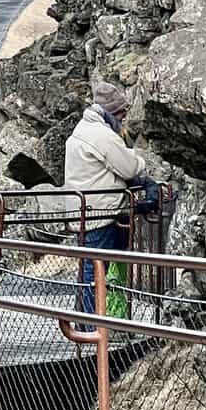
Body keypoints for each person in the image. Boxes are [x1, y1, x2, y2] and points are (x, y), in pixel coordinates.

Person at [64, 82, 146, 316]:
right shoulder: (102, 135)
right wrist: (140, 160)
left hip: (83, 210)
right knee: (96, 269)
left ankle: (86, 323)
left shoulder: (83, 128)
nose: (123, 118)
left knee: (89, 268)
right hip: (100, 212)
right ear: (111, 112)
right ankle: (92, 326)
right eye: (121, 113)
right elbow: (129, 168)